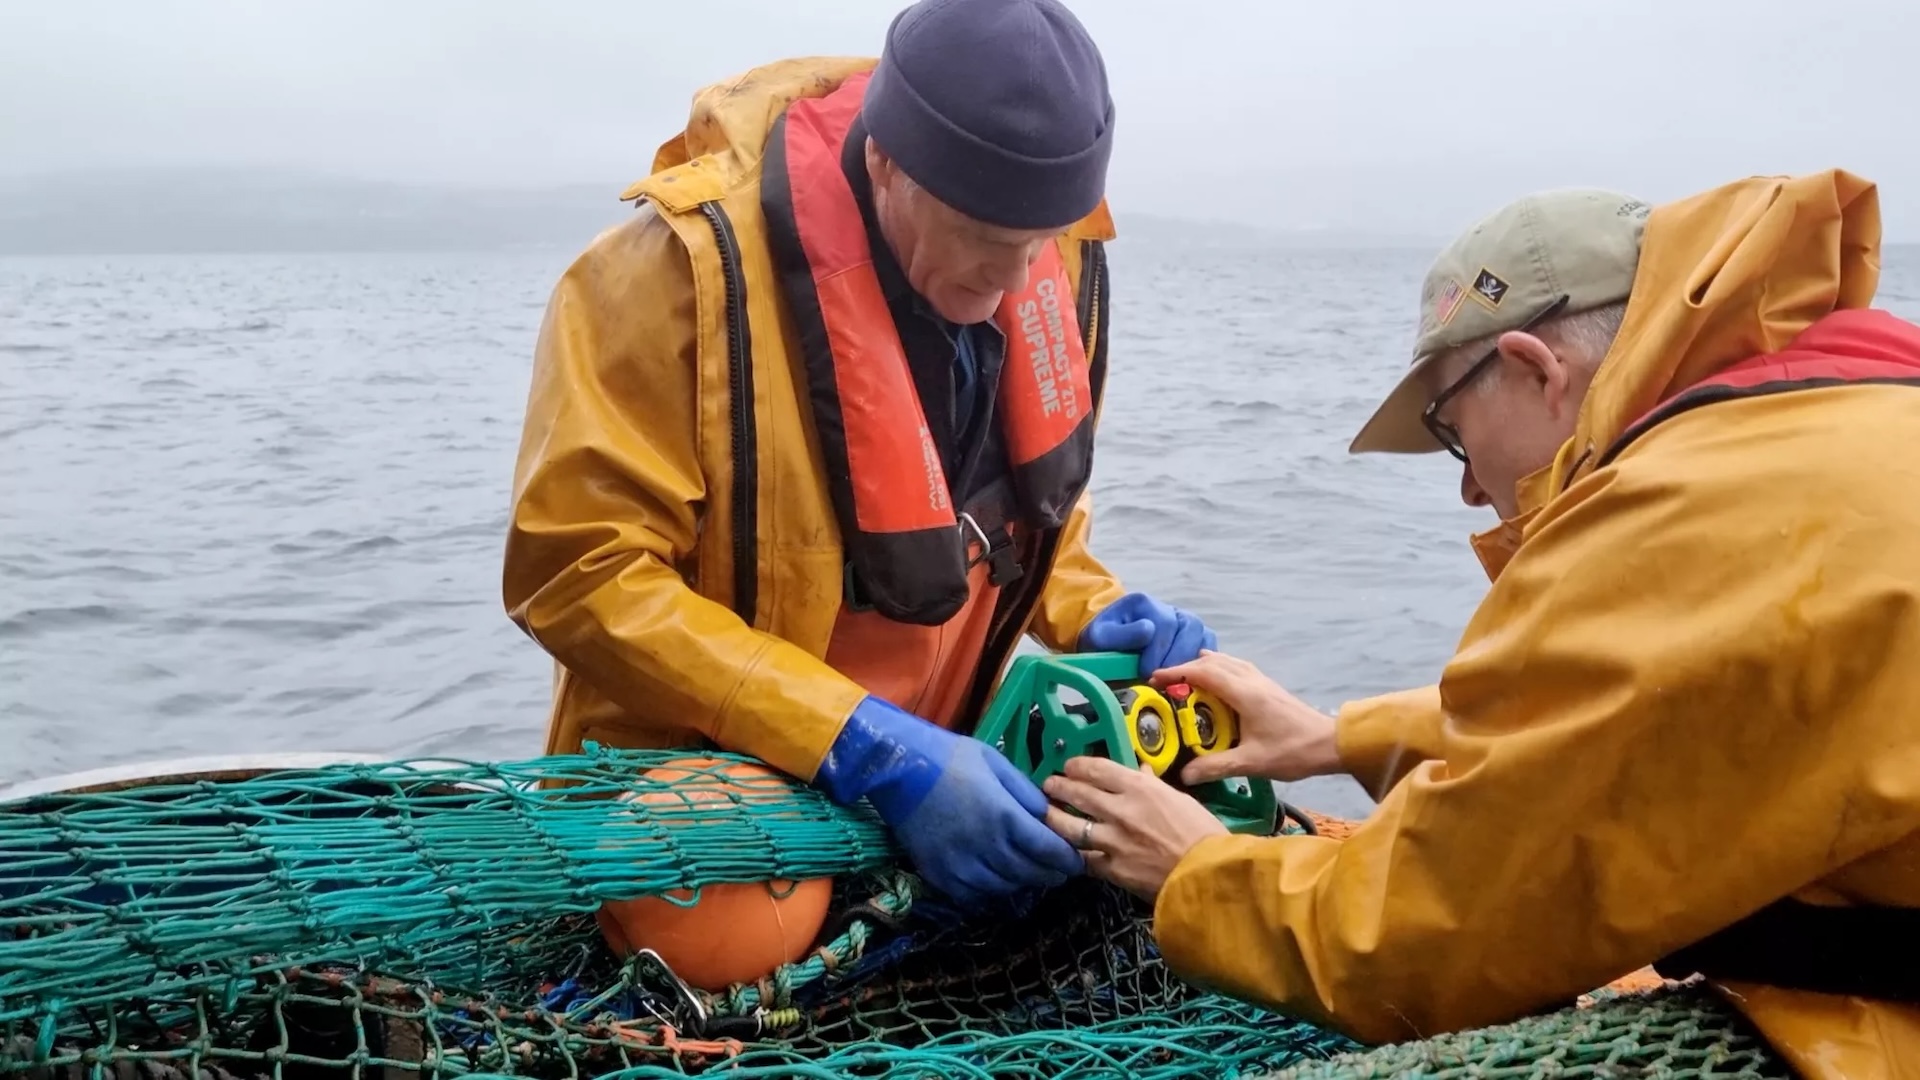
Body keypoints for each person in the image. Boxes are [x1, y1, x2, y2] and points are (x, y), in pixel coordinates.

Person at [1039, 171, 1920, 1079]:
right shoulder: (1834, 419)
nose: (1466, 487)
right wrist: (1334, 739)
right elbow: (1631, 734)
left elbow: (1431, 946)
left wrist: (1196, 867)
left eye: (1455, 432)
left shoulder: (1675, 513)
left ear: (1537, 369)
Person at [501, 0, 1218, 911]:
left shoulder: (1040, 255)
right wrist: (862, 745)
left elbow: (1002, 511)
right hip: (712, 797)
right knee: (719, 930)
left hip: (950, 789)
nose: (1015, 279)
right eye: (988, 240)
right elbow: (576, 576)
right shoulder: (664, 274)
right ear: (884, 160)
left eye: (1041, 241)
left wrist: (1093, 606)